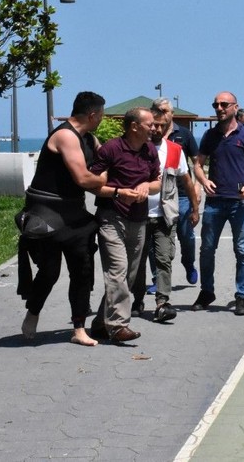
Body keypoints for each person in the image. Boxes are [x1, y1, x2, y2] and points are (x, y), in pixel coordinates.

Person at [16, 91, 106, 346]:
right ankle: (33, 312)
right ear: (92, 114)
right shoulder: (65, 135)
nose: (101, 119)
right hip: (47, 214)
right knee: (50, 272)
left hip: (74, 215)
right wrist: (108, 181)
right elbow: (84, 179)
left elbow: (107, 159)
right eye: (100, 115)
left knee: (82, 271)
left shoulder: (91, 138)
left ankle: (79, 328)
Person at [89, 107, 161, 343]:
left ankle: (101, 323)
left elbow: (157, 182)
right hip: (112, 217)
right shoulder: (111, 149)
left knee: (127, 276)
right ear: (134, 126)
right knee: (117, 271)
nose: (154, 128)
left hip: (139, 219)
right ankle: (119, 325)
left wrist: (144, 187)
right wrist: (119, 193)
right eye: (150, 124)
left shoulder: (150, 150)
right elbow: (92, 184)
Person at [192, 92, 244, 315]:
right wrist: (203, 180)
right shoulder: (209, 136)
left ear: (235, 107)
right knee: (206, 250)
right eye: (216, 104)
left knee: (242, 250)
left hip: (239, 203)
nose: (219, 108)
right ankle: (207, 292)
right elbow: (198, 164)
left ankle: (241, 296)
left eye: (224, 104)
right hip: (214, 203)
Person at [130, 107, 200, 322]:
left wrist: (195, 208)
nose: (157, 129)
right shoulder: (135, 148)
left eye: (162, 125)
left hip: (164, 214)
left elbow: (186, 181)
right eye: (154, 125)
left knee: (163, 258)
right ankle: (137, 299)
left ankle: (162, 302)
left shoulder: (174, 150)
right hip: (138, 214)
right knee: (138, 261)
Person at [151, 97, 200, 286]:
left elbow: (196, 163)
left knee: (186, 235)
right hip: (155, 195)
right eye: (157, 110)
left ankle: (189, 264)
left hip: (180, 194)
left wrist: (197, 187)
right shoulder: (150, 135)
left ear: (172, 113)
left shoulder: (184, 134)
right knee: (155, 239)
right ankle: (158, 277)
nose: (161, 113)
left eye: (164, 110)